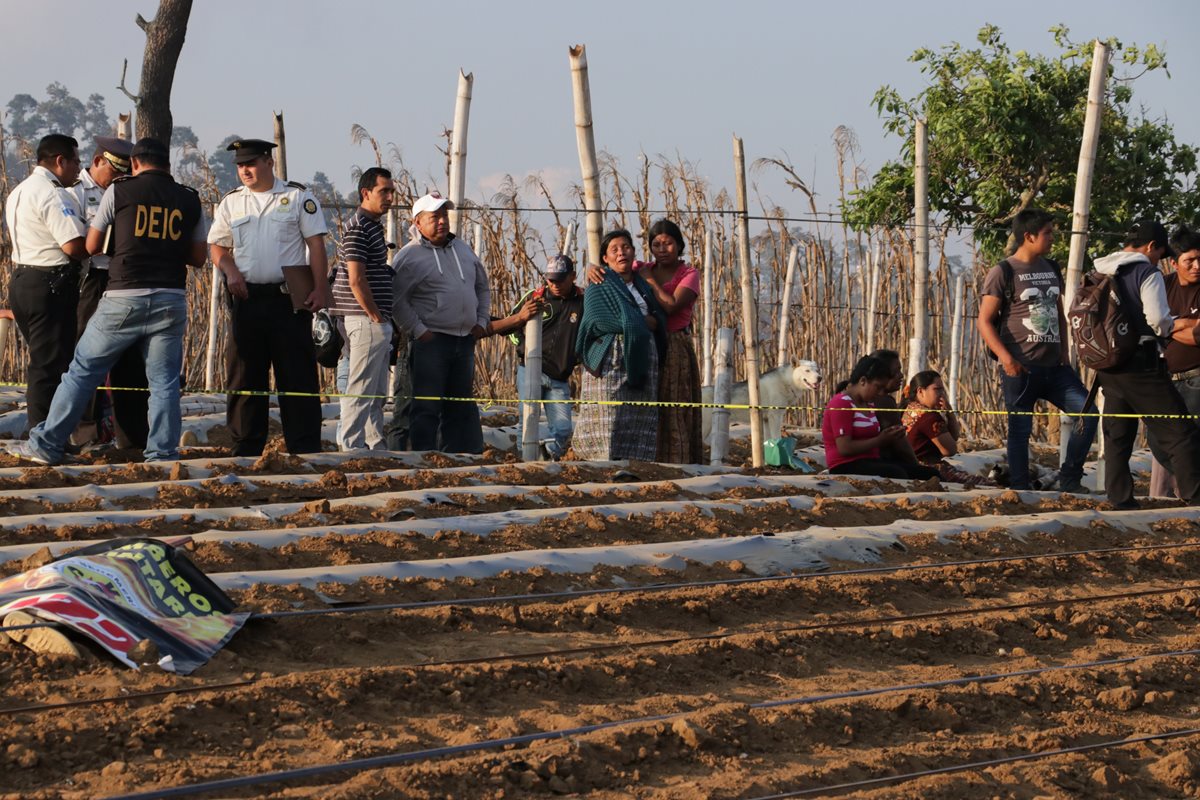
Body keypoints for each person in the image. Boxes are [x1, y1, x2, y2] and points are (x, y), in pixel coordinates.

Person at [19, 138, 206, 465]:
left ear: (135, 164)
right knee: (162, 382)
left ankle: (46, 444)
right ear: (169, 164)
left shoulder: (120, 191)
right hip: (170, 298)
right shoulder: (190, 199)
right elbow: (198, 257)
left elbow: (90, 245)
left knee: (82, 371)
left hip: (123, 296)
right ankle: (162, 453)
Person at [208, 139, 330, 456]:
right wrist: (230, 271)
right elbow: (217, 246)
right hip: (247, 298)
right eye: (239, 165)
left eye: (251, 163)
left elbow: (316, 245)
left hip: (287, 300)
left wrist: (319, 288)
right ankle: (245, 446)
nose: (244, 170)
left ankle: (304, 448)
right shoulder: (232, 203)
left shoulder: (297, 196)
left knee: (297, 376)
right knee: (245, 376)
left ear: (268, 162)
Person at [977, 209, 1096, 493]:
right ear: (1029, 237)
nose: (1053, 238)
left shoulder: (1051, 268)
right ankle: (1020, 489)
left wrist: (1066, 353)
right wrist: (1007, 360)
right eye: (1048, 233)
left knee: (1088, 413)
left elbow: (1058, 311)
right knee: (1020, 431)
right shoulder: (1002, 272)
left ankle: (1070, 477)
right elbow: (984, 321)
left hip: (1056, 369)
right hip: (1021, 367)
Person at [1091, 220, 1200, 508]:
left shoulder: (1100, 269)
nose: (1159, 262)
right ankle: (1196, 496)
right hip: (1140, 364)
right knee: (1179, 431)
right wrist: (1176, 324)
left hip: (1107, 366)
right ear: (1152, 247)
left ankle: (1120, 500)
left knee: (1117, 435)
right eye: (1160, 254)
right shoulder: (1146, 271)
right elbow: (1158, 321)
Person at [392, 192, 490, 453]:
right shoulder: (409, 256)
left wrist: (481, 320)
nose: (442, 222)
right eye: (434, 217)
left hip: (464, 340)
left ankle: (457, 459)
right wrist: (420, 331)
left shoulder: (463, 249)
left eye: (444, 215)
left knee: (459, 405)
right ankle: (425, 457)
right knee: (426, 406)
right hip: (431, 342)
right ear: (418, 222)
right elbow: (397, 300)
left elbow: (482, 287)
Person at [70, 136, 149, 451]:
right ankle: (86, 432)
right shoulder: (74, 194)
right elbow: (76, 243)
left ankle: (130, 437)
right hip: (93, 280)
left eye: (123, 173)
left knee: (129, 358)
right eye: (114, 171)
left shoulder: (129, 192)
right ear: (98, 161)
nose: (118, 178)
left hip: (126, 281)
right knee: (88, 354)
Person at [4, 133, 87, 430]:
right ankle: (43, 434)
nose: (79, 169)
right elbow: (72, 246)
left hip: (23, 280)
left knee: (43, 361)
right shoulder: (53, 193)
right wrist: (101, 240)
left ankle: (43, 430)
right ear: (60, 161)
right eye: (76, 161)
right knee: (49, 366)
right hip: (50, 283)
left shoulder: (20, 190)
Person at [573, 229, 667, 461]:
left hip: (644, 353)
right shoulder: (599, 283)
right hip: (611, 356)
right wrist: (639, 322)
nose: (621, 253)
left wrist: (646, 322)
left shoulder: (643, 284)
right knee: (610, 410)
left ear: (634, 252)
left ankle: (637, 461)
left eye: (625, 247)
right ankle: (601, 459)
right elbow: (597, 319)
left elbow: (658, 318)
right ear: (605, 258)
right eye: (614, 250)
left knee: (640, 410)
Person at [489, 254, 585, 460]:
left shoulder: (583, 301)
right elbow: (511, 325)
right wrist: (523, 347)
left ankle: (546, 458)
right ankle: (526, 461)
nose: (555, 284)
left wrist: (576, 357)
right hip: (531, 371)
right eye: (551, 279)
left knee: (563, 428)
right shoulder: (536, 296)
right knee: (528, 420)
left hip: (559, 376)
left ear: (573, 277)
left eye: (560, 279)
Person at [329, 167, 396, 450]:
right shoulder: (358, 228)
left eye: (392, 191)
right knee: (360, 388)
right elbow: (356, 279)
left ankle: (373, 444)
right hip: (364, 319)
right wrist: (375, 315)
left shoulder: (370, 227)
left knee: (375, 391)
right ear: (365, 193)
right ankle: (351, 447)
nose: (390, 197)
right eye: (384, 191)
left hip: (372, 319)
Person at [821, 355, 939, 481]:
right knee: (897, 474)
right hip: (845, 464)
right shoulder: (841, 403)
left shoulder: (868, 404)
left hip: (871, 460)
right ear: (863, 381)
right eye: (877, 387)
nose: (879, 393)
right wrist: (880, 440)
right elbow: (844, 448)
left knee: (930, 474)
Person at [1151, 226, 1200, 498]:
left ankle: (1192, 495)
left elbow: (1166, 327)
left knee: (1190, 439)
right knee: (1159, 440)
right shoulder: (1162, 286)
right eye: (1189, 261)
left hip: (1196, 379)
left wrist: (1170, 324)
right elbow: (1151, 324)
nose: (1196, 266)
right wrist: (1184, 324)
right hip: (1166, 379)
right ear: (1174, 262)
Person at [901, 371, 992, 487]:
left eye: (942, 389)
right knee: (987, 484)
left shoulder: (910, 408)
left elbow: (953, 437)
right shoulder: (929, 416)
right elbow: (950, 450)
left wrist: (949, 413)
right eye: (937, 389)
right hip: (927, 469)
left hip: (910, 466)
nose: (942, 394)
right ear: (920, 391)